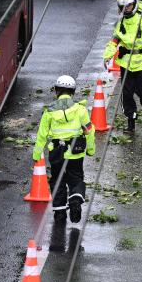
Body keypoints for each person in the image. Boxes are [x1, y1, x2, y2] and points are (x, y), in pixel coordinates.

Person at [32, 75, 96, 223]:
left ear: (56, 91)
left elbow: (41, 135)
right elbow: (89, 131)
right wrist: (90, 149)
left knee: (57, 180)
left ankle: (60, 213)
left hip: (57, 153)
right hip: (76, 152)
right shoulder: (80, 110)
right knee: (76, 178)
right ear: (73, 92)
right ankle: (75, 200)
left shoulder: (49, 112)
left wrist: (36, 155)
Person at [103, 0, 142, 132]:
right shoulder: (120, 23)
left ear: (134, 5)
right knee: (127, 94)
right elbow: (114, 41)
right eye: (123, 6)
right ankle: (131, 119)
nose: (126, 9)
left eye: (129, 6)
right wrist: (108, 56)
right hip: (126, 64)